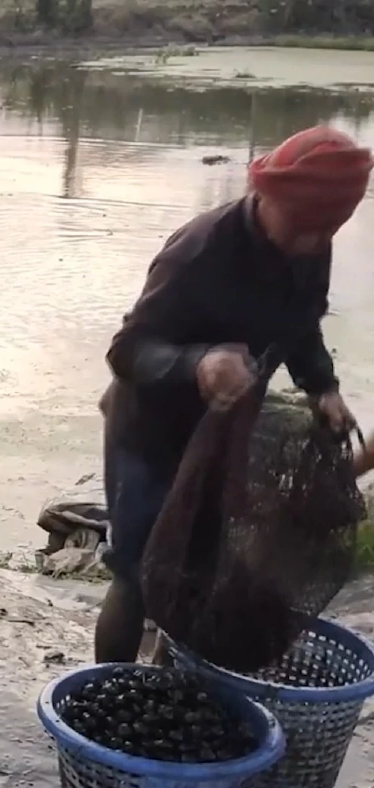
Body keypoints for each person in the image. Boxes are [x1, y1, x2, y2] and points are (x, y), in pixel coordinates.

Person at [97, 125, 370, 664]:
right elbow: (126, 351)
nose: (311, 244)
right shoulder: (199, 251)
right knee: (134, 570)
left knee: (198, 568)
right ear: (265, 195)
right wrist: (197, 363)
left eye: (327, 231)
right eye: (301, 228)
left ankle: (170, 685)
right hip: (149, 433)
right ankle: (107, 692)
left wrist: (323, 387)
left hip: (223, 435)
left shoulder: (311, 242)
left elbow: (301, 323)